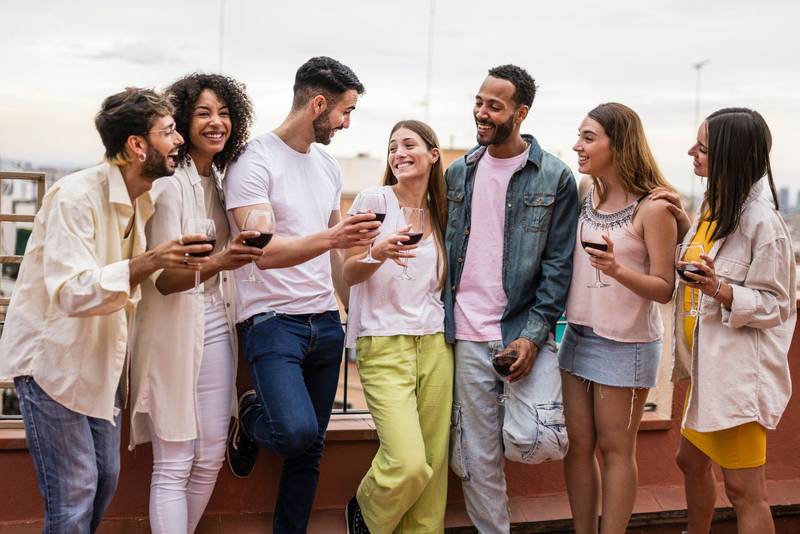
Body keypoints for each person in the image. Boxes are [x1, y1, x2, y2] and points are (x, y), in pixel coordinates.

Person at [0, 88, 211, 532]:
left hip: (99, 366)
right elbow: (71, 291)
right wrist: (150, 261)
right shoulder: (74, 197)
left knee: (103, 482)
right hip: (52, 365)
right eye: (169, 131)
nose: (179, 141)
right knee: (74, 492)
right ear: (137, 145)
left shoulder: (144, 199)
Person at [223, 56, 378, 533]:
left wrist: (353, 312)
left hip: (325, 322)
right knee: (294, 433)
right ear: (318, 104)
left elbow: (337, 254)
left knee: (310, 451)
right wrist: (334, 237)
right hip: (271, 321)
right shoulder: (253, 161)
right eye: (345, 111)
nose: (346, 123)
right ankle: (251, 414)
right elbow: (262, 254)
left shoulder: (328, 165)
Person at [128, 74, 264, 533]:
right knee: (175, 459)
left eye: (224, 113)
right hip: (170, 324)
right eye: (204, 113)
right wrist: (223, 259)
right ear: (183, 121)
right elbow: (165, 281)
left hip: (215, 319)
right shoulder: (168, 184)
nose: (216, 122)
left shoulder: (220, 181)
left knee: (208, 456)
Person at [443, 64, 575, 533]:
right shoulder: (457, 173)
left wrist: (534, 338)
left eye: (494, 106)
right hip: (465, 334)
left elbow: (559, 266)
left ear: (520, 113)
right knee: (476, 459)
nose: (481, 112)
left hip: (521, 329)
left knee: (535, 438)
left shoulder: (555, 176)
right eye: (479, 102)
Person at [651, 108, 796, 534]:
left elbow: (777, 305)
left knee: (745, 491)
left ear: (730, 157)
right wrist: (682, 224)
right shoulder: (714, 208)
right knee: (690, 461)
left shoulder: (762, 223)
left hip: (737, 379)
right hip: (708, 375)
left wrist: (720, 289)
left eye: (703, 148)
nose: (691, 153)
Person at [558, 103, 677, 534]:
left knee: (615, 451)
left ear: (619, 145)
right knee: (577, 447)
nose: (578, 145)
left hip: (626, 343)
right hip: (577, 335)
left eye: (589, 137)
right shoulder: (585, 190)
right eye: (580, 135)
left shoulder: (654, 208)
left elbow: (665, 287)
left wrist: (617, 270)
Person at [342, 120, 452, 534]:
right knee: (408, 463)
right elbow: (348, 272)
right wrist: (378, 252)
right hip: (383, 341)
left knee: (434, 464)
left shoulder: (443, 211)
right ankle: (366, 512)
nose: (399, 153)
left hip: (436, 342)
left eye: (409, 144)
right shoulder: (375, 201)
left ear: (433, 154)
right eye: (392, 147)